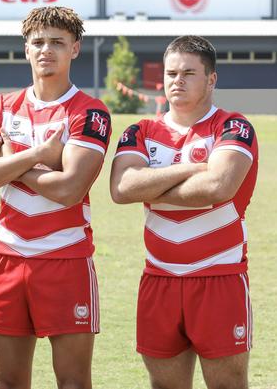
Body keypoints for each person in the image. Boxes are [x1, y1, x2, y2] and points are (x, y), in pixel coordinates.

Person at [0, 6, 111, 389]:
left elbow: (69, 189)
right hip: (7, 257)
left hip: (66, 257)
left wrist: (9, 163)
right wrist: (35, 157)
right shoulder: (3, 106)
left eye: (58, 43)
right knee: (7, 382)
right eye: (38, 42)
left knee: (73, 382)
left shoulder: (89, 112)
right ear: (26, 49)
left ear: (75, 49)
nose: (47, 50)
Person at [110, 35, 258, 389]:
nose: (177, 80)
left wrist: (153, 184)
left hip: (219, 279)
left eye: (189, 73)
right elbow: (122, 188)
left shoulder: (233, 127)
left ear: (211, 79)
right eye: (171, 73)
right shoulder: (141, 131)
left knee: (228, 385)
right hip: (159, 280)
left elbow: (218, 187)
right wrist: (191, 169)